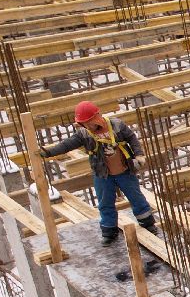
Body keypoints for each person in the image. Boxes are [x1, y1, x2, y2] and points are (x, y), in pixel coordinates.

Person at [41, 101, 158, 245]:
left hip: (124, 170)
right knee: (105, 202)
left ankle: (147, 223)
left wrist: (139, 154)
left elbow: (132, 138)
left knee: (136, 197)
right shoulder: (84, 133)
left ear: (97, 117)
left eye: (90, 122)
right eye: (85, 123)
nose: (88, 126)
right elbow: (67, 145)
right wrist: (49, 152)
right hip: (103, 174)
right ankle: (109, 232)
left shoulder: (116, 125)